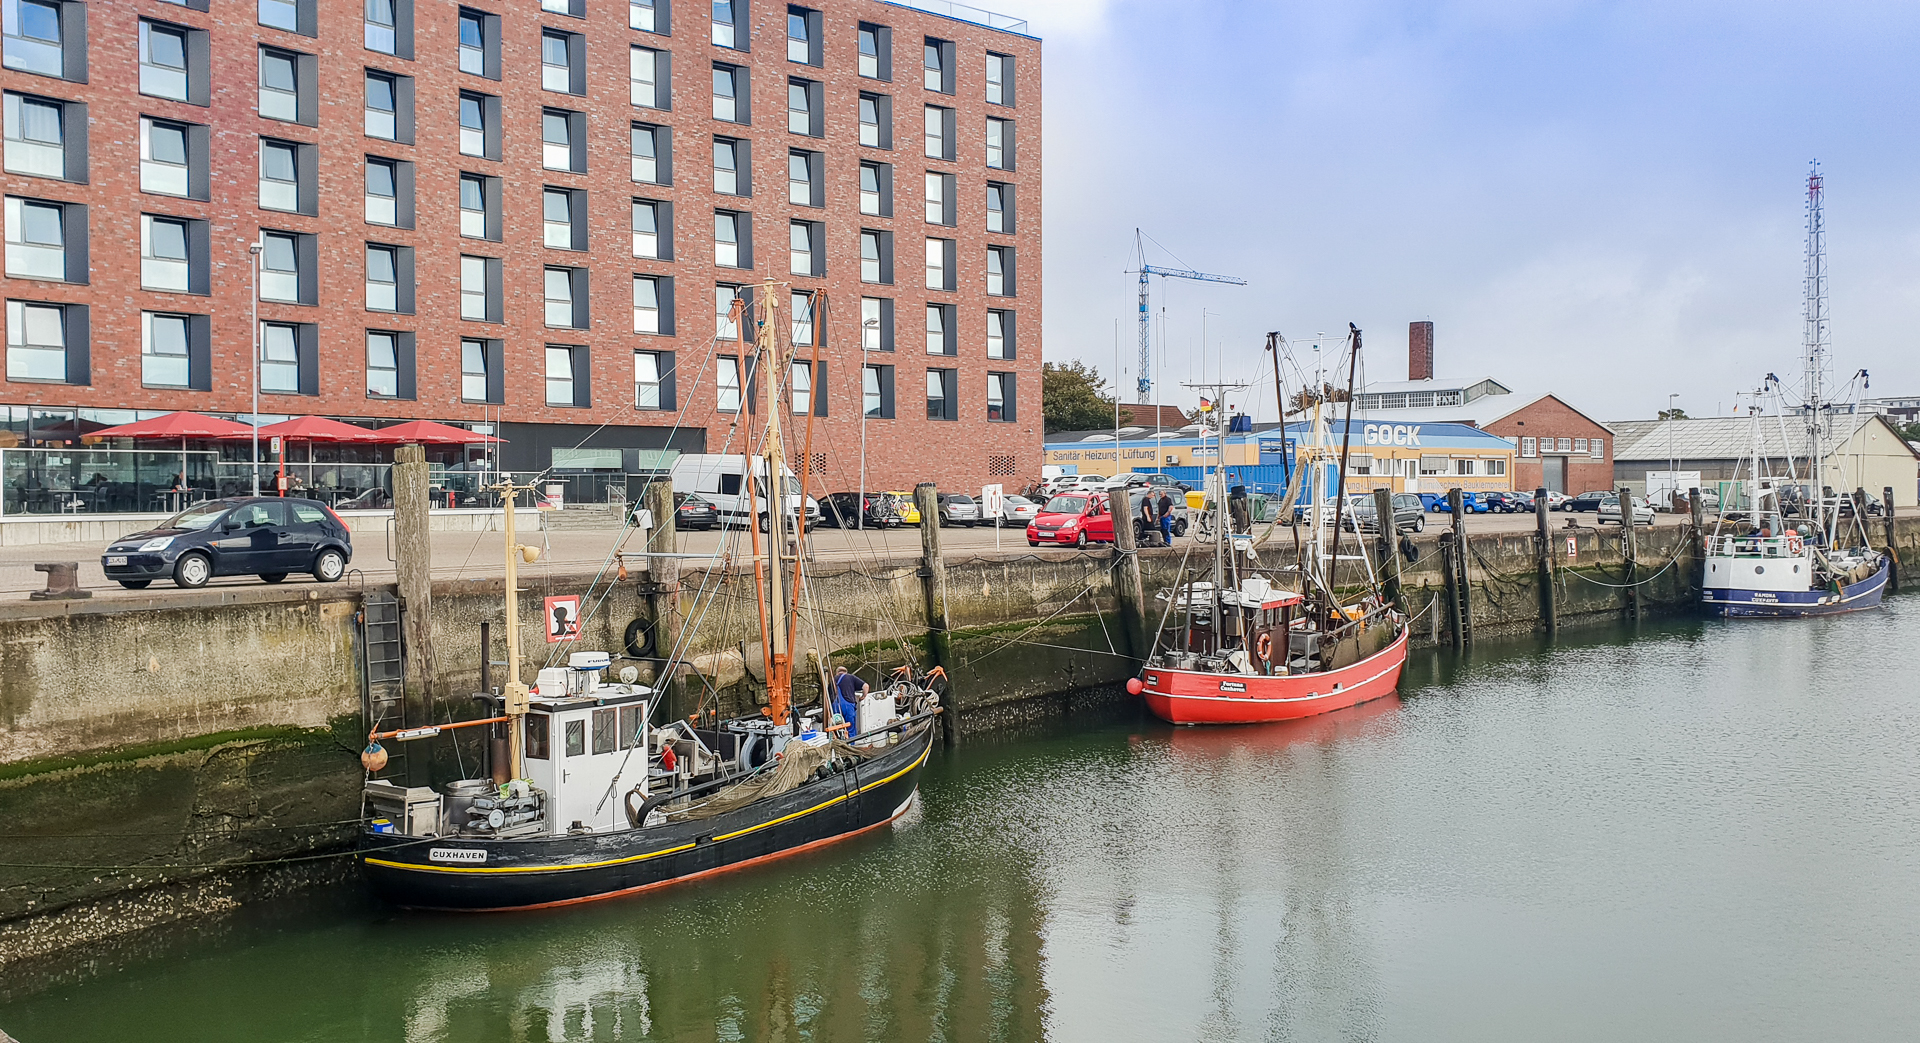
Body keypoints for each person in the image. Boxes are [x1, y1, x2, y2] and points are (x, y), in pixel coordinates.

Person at [831, 666, 867, 739]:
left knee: (838, 728)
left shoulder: (832, 680)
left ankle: (840, 743)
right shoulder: (851, 677)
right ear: (846, 672)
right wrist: (863, 696)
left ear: (837, 673)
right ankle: (851, 743)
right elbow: (866, 686)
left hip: (836, 706)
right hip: (848, 706)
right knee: (850, 727)